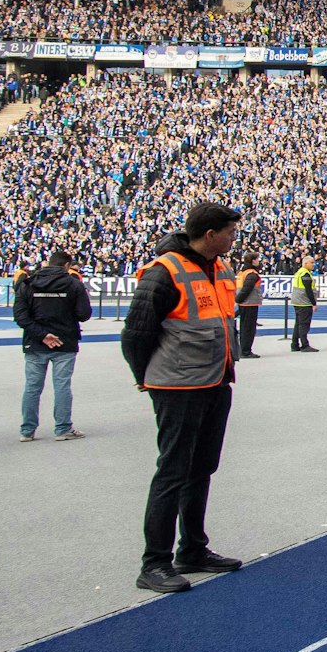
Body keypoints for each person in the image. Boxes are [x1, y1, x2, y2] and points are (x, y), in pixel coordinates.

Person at [122, 202, 245, 595]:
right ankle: (154, 562)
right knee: (173, 470)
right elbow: (136, 334)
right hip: (177, 387)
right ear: (209, 235)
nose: (233, 238)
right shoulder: (164, 272)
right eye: (229, 232)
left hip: (214, 382)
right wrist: (147, 378)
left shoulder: (221, 268)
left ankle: (192, 549)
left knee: (202, 467)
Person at [14, 249, 91, 442]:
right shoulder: (74, 284)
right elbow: (84, 314)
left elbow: (20, 317)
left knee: (32, 387)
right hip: (64, 341)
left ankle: (27, 431)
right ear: (66, 266)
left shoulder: (28, 283)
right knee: (62, 385)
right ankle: (62, 428)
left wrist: (42, 335)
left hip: (36, 342)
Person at [234, 254, 263, 360]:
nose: (258, 261)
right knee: (249, 329)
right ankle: (246, 351)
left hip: (245, 303)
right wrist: (238, 299)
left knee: (244, 327)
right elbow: (247, 289)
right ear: (253, 261)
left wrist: (238, 300)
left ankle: (244, 350)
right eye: (257, 259)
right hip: (250, 303)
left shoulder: (242, 272)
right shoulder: (252, 274)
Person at [289, 254, 318, 352]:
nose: (313, 265)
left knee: (298, 324)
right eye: (311, 263)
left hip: (297, 301)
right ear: (305, 263)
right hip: (304, 302)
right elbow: (308, 290)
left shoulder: (299, 272)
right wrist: (313, 303)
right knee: (304, 324)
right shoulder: (305, 274)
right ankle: (305, 345)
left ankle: (294, 344)